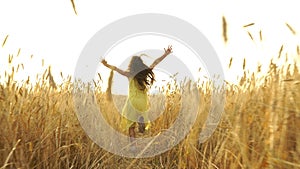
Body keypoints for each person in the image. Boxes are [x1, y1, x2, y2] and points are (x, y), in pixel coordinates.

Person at [101, 45, 173, 142]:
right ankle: (140, 119)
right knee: (141, 122)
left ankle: (133, 147)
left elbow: (116, 69)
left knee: (130, 126)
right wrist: (166, 54)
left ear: (131, 65)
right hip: (142, 101)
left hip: (132, 101)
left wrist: (106, 64)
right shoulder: (144, 73)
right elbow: (155, 62)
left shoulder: (129, 74)